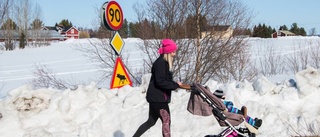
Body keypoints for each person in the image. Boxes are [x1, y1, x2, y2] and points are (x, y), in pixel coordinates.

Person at [133, 39, 190, 137]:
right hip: (159, 99)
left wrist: (175, 83)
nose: (174, 54)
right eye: (173, 52)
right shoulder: (161, 64)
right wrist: (175, 86)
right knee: (166, 122)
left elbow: (163, 80)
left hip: (155, 98)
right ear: (168, 52)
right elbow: (160, 82)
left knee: (151, 121)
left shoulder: (162, 63)